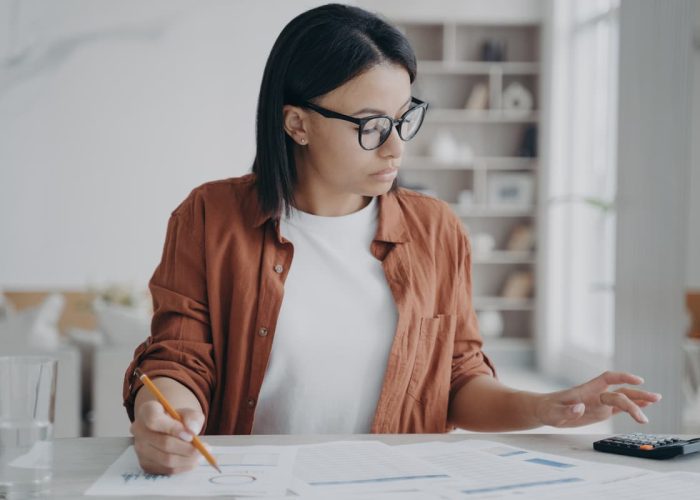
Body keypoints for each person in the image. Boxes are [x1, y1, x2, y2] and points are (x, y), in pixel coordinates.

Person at [122, 3, 662, 476]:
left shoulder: (436, 230)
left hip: (396, 485)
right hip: (250, 483)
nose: (396, 147)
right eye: (371, 125)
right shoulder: (210, 216)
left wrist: (544, 408)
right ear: (296, 124)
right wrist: (167, 416)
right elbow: (180, 358)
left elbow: (458, 380)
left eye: (405, 119)